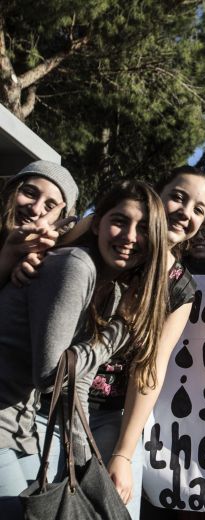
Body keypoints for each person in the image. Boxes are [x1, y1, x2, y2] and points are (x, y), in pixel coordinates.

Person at [0, 179, 169, 518]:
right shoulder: (76, 265)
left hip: (21, 429)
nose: (130, 236)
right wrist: (121, 329)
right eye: (120, 221)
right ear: (97, 224)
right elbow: (51, 376)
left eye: (143, 229)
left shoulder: (114, 292)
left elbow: (77, 382)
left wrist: (88, 472)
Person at [96, 166, 205, 519]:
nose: (185, 212)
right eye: (178, 197)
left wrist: (123, 454)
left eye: (198, 209)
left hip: (110, 416)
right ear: (156, 195)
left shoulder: (181, 286)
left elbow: (150, 368)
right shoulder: (110, 235)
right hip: (48, 404)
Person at [0, 160, 78, 286]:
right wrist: (9, 255)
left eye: (50, 207)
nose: (35, 209)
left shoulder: (45, 265)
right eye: (30, 193)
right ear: (12, 190)